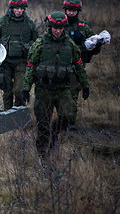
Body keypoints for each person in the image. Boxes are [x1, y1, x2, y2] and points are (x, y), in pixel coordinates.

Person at [22, 11, 89, 156]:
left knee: (68, 116)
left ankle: (55, 132)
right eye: (55, 28)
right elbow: (30, 66)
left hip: (63, 88)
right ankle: (42, 154)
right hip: (44, 88)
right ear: (50, 27)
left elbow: (79, 65)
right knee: (43, 122)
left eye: (60, 28)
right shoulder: (40, 44)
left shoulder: (69, 45)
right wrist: (26, 88)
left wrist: (85, 85)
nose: (58, 31)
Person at [0, 0, 38, 110]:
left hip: (22, 61)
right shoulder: (3, 21)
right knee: (7, 89)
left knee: (19, 89)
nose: (19, 11)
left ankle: (19, 113)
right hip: (5, 61)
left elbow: (37, 41)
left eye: (21, 9)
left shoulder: (29, 23)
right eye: (17, 8)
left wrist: (27, 47)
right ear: (12, 8)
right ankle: (7, 114)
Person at [63, 0, 101, 126]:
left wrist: (97, 44)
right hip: (60, 66)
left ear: (78, 11)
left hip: (77, 66)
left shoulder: (83, 27)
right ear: (65, 10)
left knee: (73, 93)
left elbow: (93, 47)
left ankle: (70, 122)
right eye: (69, 10)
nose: (71, 12)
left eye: (74, 10)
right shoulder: (58, 24)